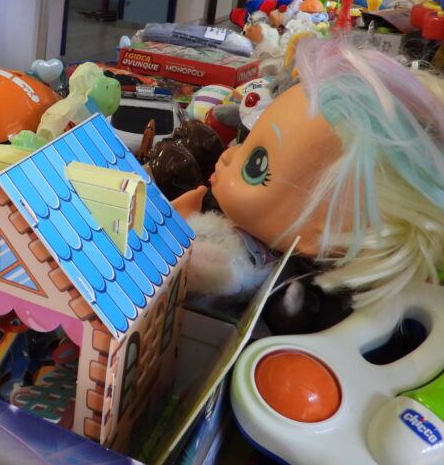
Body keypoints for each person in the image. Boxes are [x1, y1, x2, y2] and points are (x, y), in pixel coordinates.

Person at [176, 38, 444, 310]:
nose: (229, 155)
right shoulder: (248, 224)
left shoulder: (294, 287)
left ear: (329, 231)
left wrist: (178, 242)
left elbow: (202, 268)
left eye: (256, 165)